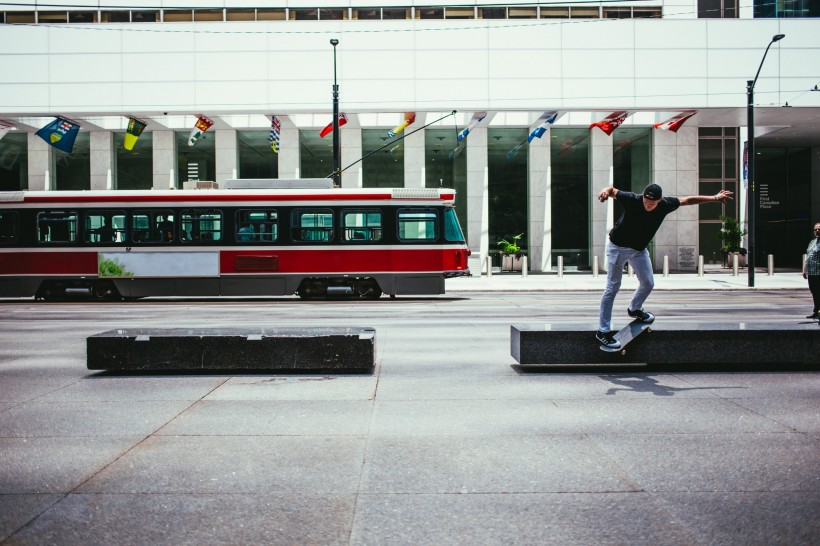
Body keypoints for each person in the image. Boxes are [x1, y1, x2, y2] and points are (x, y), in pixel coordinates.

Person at [596, 183, 733, 349]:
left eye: (651, 204)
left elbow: (688, 200)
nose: (647, 206)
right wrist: (605, 191)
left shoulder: (666, 204)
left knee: (648, 283)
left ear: (659, 201)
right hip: (617, 248)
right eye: (646, 202)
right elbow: (612, 190)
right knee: (613, 287)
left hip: (639, 250)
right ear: (643, 196)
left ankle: (634, 308)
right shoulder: (633, 199)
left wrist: (714, 198)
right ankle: (603, 332)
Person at [803, 222, 820, 319]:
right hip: (812, 272)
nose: (817, 231)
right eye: (815, 229)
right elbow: (808, 256)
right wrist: (805, 270)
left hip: (819, 272)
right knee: (814, 292)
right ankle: (816, 311)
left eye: (819, 229)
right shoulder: (812, 242)